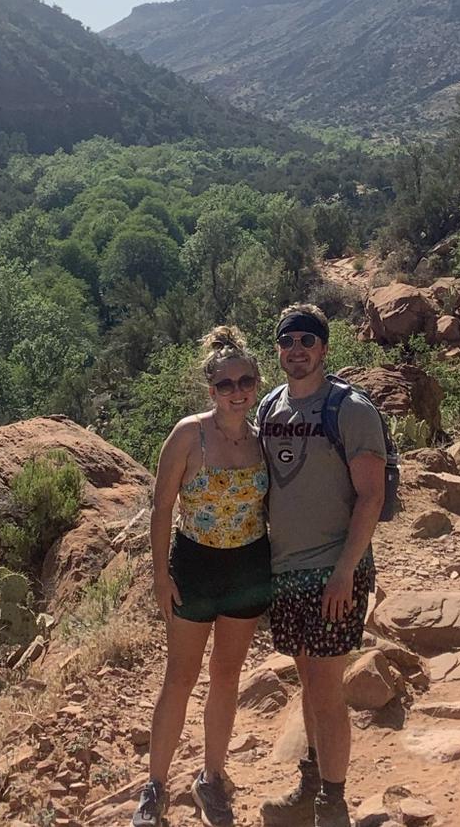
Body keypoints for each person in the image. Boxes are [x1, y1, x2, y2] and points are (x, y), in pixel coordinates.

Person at [133, 325, 272, 827]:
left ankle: (213, 777)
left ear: (257, 383)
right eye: (226, 384)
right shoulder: (188, 434)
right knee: (180, 677)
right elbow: (160, 507)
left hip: (249, 569)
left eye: (246, 381)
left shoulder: (264, 438)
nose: (238, 392)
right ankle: (154, 788)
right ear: (209, 389)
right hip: (194, 568)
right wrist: (159, 576)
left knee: (227, 677)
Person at [257, 303, 386, 827]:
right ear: (279, 350)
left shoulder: (349, 409)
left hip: (335, 571)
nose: (297, 350)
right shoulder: (269, 407)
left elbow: (371, 497)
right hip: (287, 571)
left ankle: (333, 806)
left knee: (327, 690)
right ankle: (310, 794)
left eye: (307, 340)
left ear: (325, 348)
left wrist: (345, 571)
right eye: (288, 341)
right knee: (308, 684)